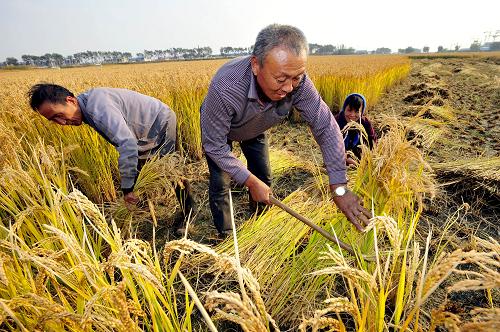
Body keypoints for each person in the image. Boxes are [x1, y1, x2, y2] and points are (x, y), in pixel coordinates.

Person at [200, 24, 371, 237]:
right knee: (221, 183)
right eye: (280, 79)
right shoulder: (225, 87)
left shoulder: (298, 83)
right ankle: (227, 236)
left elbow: (325, 125)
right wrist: (249, 181)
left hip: (256, 127)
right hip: (222, 131)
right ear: (256, 65)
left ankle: (258, 228)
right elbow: (214, 145)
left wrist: (339, 188)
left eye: (296, 78)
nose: (290, 87)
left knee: (264, 177)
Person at [28, 84, 194, 226]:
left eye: (59, 115)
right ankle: (144, 210)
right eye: (53, 120)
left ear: (70, 101)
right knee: (141, 170)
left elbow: (127, 144)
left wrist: (127, 188)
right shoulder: (87, 106)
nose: (62, 123)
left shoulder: (97, 109)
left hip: (159, 120)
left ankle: (189, 213)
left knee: (171, 169)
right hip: (140, 129)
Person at [335, 93, 377, 166]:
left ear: (361, 112)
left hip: (360, 160)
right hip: (339, 159)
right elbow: (334, 146)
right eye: (349, 110)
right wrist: (350, 160)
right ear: (344, 108)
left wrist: (369, 160)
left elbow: (373, 142)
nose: (352, 115)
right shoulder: (336, 122)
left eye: (357, 111)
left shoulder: (365, 123)